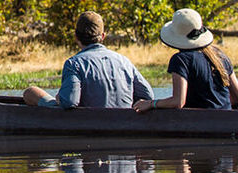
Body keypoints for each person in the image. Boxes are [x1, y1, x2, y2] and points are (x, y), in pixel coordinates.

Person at [22, 11, 154, 108]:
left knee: (31, 92)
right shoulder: (124, 61)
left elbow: (69, 103)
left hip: (88, 122)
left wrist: (59, 98)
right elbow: (148, 96)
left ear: (76, 37)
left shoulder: (74, 64)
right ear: (102, 36)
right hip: (124, 122)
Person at [132, 8, 238, 112]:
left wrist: (151, 104)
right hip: (227, 123)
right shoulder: (219, 55)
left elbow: (178, 102)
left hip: (198, 125)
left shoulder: (180, 59)